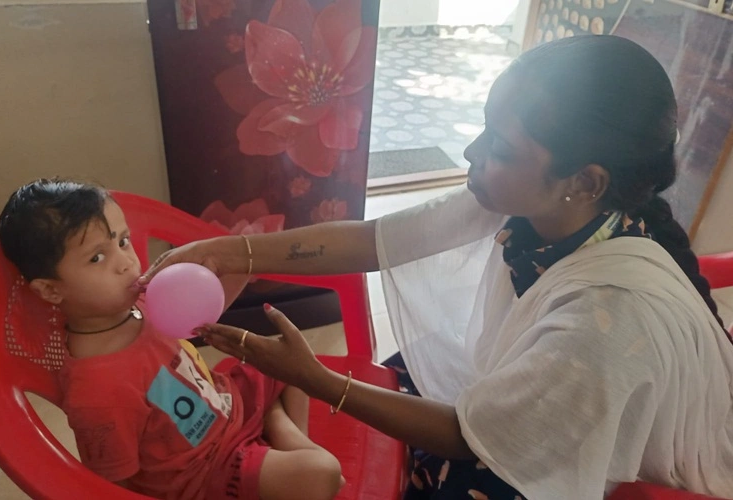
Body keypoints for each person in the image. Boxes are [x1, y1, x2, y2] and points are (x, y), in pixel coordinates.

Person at [140, 35, 733, 499]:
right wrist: (230, 252)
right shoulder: (542, 204)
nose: (472, 152)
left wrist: (316, 380)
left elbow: (469, 438)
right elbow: (373, 241)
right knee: (413, 372)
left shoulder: (607, 319)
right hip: (543, 390)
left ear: (585, 181)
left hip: (602, 456)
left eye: (500, 147)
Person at [0, 179, 344, 500]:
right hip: (208, 472)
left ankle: (281, 436)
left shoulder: (140, 302)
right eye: (97, 257)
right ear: (50, 290)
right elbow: (111, 485)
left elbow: (205, 313)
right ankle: (282, 437)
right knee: (322, 473)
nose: (126, 263)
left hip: (227, 402)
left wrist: (242, 263)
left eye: (122, 241)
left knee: (291, 362)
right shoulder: (97, 391)